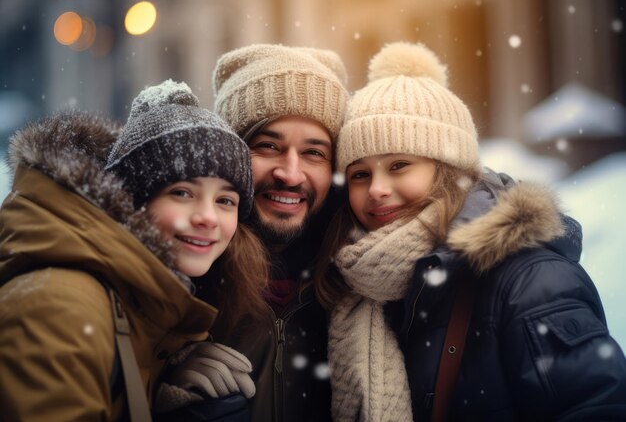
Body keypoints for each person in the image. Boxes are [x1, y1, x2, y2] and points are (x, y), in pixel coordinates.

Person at [316, 42, 626, 421]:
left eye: (398, 165)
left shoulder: (530, 281)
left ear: (448, 170)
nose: (377, 188)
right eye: (360, 174)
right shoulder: (358, 286)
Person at [0, 79, 267, 420]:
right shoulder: (58, 306)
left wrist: (161, 381)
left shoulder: (148, 300)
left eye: (225, 200)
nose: (208, 218)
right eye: (182, 193)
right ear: (132, 201)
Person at [198, 43, 350, 422]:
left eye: (314, 152)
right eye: (268, 146)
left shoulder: (362, 284)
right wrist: (163, 379)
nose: (291, 173)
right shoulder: (185, 281)